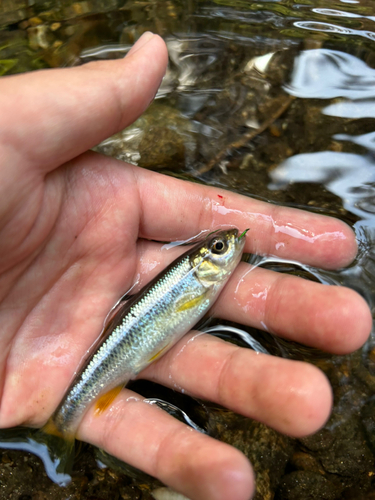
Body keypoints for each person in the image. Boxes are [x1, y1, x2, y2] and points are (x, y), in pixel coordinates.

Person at [0, 32, 371, 500]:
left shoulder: (202, 278)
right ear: (203, 262)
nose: (230, 247)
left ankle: (62, 428)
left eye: (221, 249)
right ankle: (61, 427)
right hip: (121, 348)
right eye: (218, 250)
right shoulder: (197, 281)